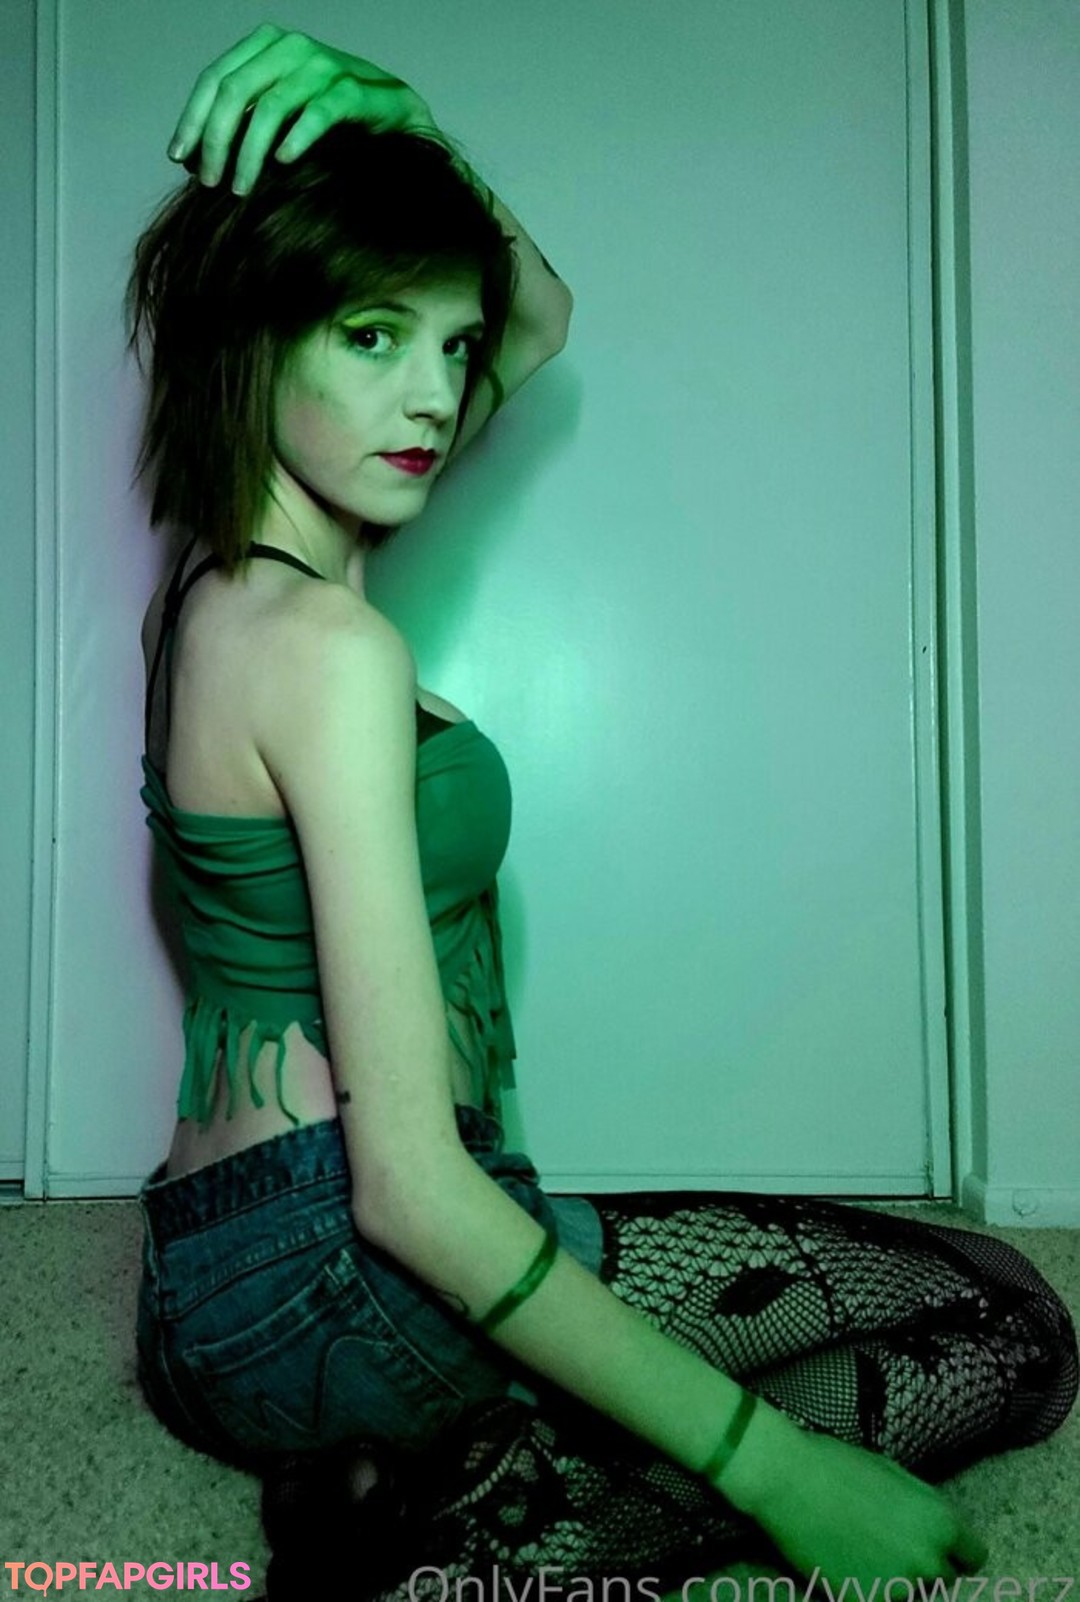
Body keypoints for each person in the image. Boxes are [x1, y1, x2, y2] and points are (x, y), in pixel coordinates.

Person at [128, 24, 1076, 1599]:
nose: (434, 394)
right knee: (1002, 1332)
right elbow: (408, 1187)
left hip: (207, 1276)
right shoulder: (327, 649)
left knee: (855, 1304)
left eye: (448, 345)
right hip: (334, 1268)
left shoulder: (218, 584)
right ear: (255, 333)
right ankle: (461, 1534)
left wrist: (403, 123)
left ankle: (419, 1474)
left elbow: (541, 312)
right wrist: (775, 1472)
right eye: (372, 335)